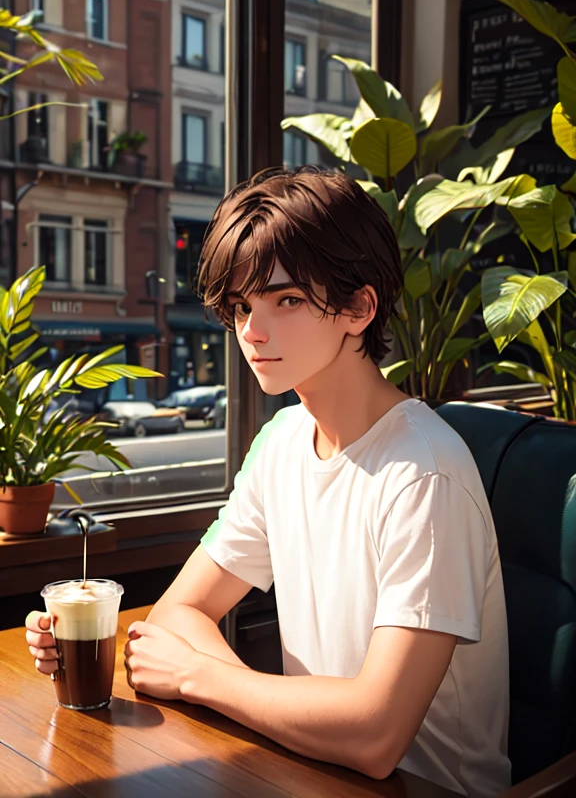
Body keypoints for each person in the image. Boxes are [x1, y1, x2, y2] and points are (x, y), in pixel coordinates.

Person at [26, 166, 511, 797]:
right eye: (241, 307)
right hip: (302, 770)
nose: (252, 332)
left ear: (359, 308)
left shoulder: (424, 476)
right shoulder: (282, 442)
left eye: (286, 301)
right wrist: (236, 690)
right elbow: (179, 612)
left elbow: (374, 735)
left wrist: (201, 677)